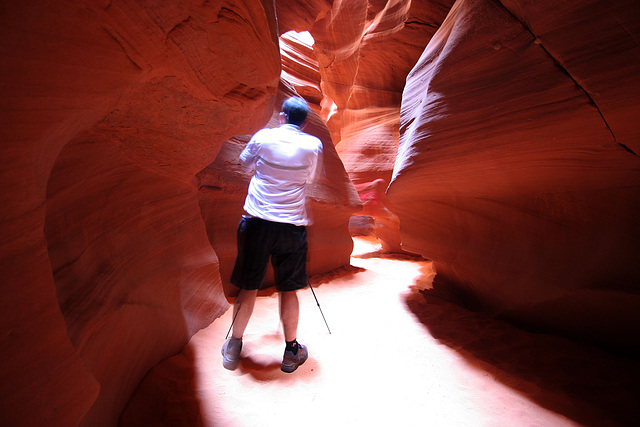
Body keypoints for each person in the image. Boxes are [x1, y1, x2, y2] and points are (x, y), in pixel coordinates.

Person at [221, 96, 323, 373]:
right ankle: (291, 351)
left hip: (256, 224)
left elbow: (243, 164)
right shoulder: (313, 145)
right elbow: (311, 179)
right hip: (292, 228)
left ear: (281, 117)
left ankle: (234, 345)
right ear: (303, 123)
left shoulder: (263, 137)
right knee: (289, 288)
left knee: (249, 285)